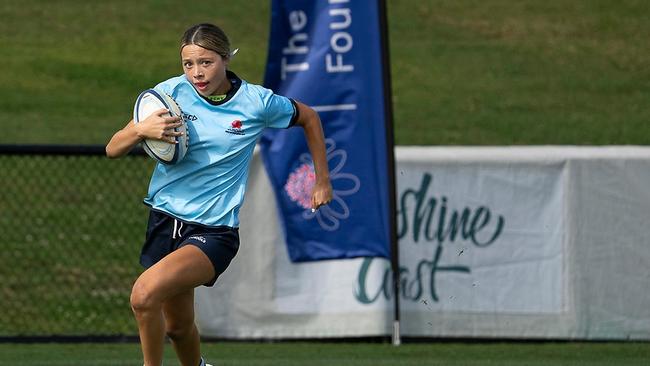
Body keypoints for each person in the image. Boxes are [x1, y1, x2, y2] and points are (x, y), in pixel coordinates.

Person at [105, 23, 332, 366]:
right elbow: (112, 149)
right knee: (179, 327)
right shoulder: (169, 94)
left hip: (213, 232)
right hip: (165, 222)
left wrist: (322, 181)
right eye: (189, 64)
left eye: (206, 62)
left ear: (225, 58)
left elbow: (310, 118)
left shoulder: (256, 102)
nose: (197, 73)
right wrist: (140, 129)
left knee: (143, 295)